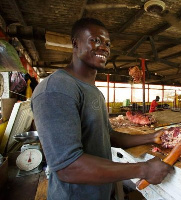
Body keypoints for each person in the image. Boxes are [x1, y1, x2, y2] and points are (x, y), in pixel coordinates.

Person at [31, 18, 172, 200]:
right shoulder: (56, 88)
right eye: (95, 40)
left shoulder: (94, 91)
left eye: (107, 43)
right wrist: (143, 169)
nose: (104, 47)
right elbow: (68, 167)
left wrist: (152, 137)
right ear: (75, 43)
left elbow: (109, 135)